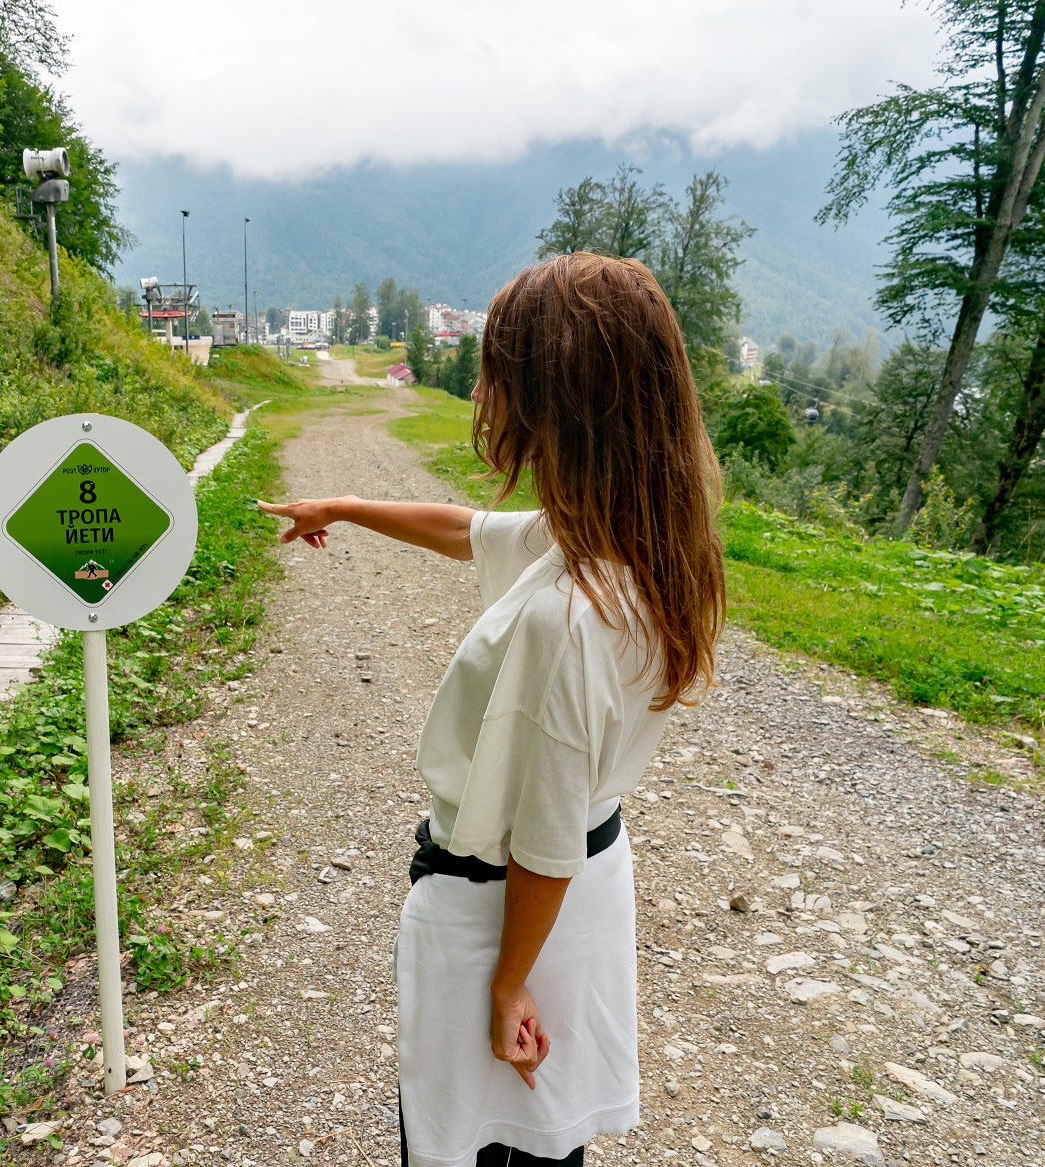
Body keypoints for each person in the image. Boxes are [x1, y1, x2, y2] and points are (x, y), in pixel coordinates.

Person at [259, 253, 725, 1166]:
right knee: (543, 1135)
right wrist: (345, 505)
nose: (488, 394)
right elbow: (468, 528)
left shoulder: (564, 618)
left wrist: (509, 982)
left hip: (505, 912)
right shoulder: (637, 550)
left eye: (501, 376)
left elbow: (541, 836)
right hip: (585, 891)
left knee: (464, 1135)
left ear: (557, 405)